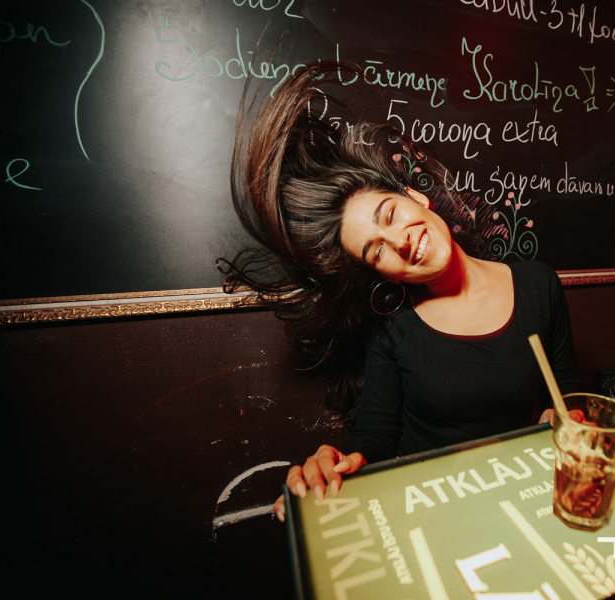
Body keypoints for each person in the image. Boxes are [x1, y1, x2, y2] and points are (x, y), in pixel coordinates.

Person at [219, 62, 579, 522]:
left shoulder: (538, 284)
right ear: (384, 274)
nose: (400, 242)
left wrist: (562, 419)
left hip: (515, 502)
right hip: (427, 513)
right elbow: (375, 441)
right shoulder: (393, 326)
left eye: (390, 215)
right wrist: (338, 467)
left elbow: (567, 397)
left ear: (415, 197)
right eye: (376, 251)